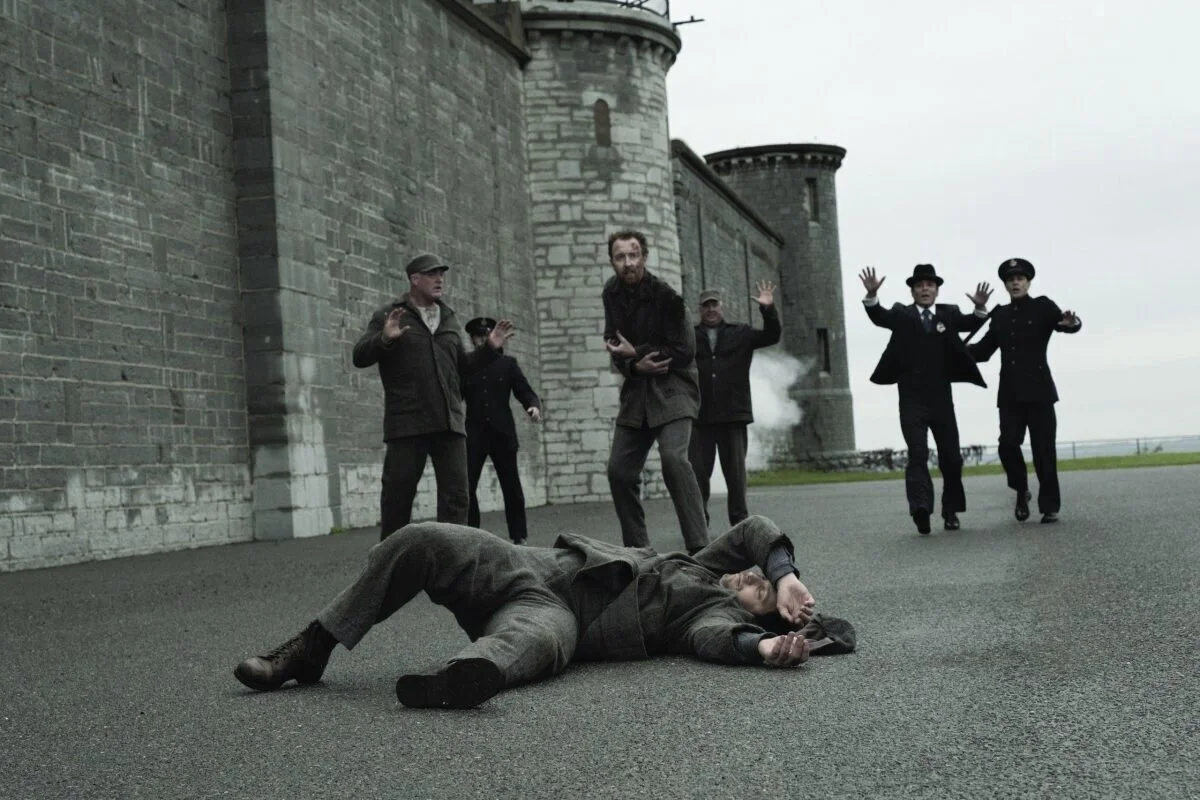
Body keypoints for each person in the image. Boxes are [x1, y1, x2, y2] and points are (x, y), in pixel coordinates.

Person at [233, 516, 856, 709]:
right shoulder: (705, 564)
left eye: (758, 591)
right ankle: (311, 649)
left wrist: (765, 647)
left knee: (526, 648)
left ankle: (453, 681)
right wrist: (785, 576)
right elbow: (754, 530)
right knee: (420, 540)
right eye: (757, 575)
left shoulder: (708, 617)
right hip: (532, 566)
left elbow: (720, 641)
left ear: (751, 615)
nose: (751, 578)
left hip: (560, 619)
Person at [353, 254, 515, 541]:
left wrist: (490, 348)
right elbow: (360, 356)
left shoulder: (448, 317)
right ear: (415, 279)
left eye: (441, 274)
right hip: (408, 422)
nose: (439, 279)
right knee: (397, 498)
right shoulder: (390, 315)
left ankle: (453, 560)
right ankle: (391, 560)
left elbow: (463, 367)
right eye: (432, 274)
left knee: (457, 498)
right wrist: (384, 339)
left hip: (448, 422)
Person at [860, 264, 992, 534]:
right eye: (919, 285)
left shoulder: (949, 313)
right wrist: (872, 295)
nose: (924, 289)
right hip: (911, 400)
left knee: (951, 458)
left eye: (929, 285)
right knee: (917, 454)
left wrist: (980, 307)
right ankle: (920, 508)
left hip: (942, 399)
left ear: (936, 290)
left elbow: (972, 322)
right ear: (912, 291)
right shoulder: (902, 314)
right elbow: (879, 316)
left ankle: (950, 510)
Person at [602, 230, 708, 554]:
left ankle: (701, 549)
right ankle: (638, 553)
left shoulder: (666, 296)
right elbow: (614, 345)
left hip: (674, 387)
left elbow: (685, 350)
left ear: (644, 258)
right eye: (620, 257)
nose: (628, 263)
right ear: (612, 262)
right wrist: (634, 366)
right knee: (619, 471)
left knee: (673, 459)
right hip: (637, 391)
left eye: (633, 255)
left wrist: (639, 353)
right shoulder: (611, 293)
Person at [968, 258, 1082, 524]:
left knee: (1044, 450)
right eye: (1010, 280)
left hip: (1040, 392)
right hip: (1010, 394)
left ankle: (1049, 506)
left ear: (1028, 282)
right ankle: (1021, 490)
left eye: (1020, 279)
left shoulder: (1043, 306)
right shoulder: (1000, 315)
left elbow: (1066, 324)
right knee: (1007, 445)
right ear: (1005, 285)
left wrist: (1072, 323)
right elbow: (983, 351)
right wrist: (954, 350)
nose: (1015, 283)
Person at [688, 282, 782, 527]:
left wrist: (768, 309)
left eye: (714, 304)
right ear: (700, 309)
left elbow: (772, 335)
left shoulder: (740, 332)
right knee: (698, 476)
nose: (710, 309)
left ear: (722, 306)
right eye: (706, 305)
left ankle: (740, 526)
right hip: (700, 417)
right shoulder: (689, 336)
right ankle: (698, 526)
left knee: (736, 477)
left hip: (733, 415)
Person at [463, 316, 542, 545]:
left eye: (485, 336)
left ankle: (519, 536)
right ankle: (471, 537)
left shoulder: (508, 364)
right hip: (474, 434)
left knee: (511, 486)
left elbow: (524, 390)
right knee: (467, 486)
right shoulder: (466, 365)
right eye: (477, 337)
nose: (481, 341)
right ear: (472, 340)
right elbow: (454, 393)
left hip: (502, 433)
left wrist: (533, 406)